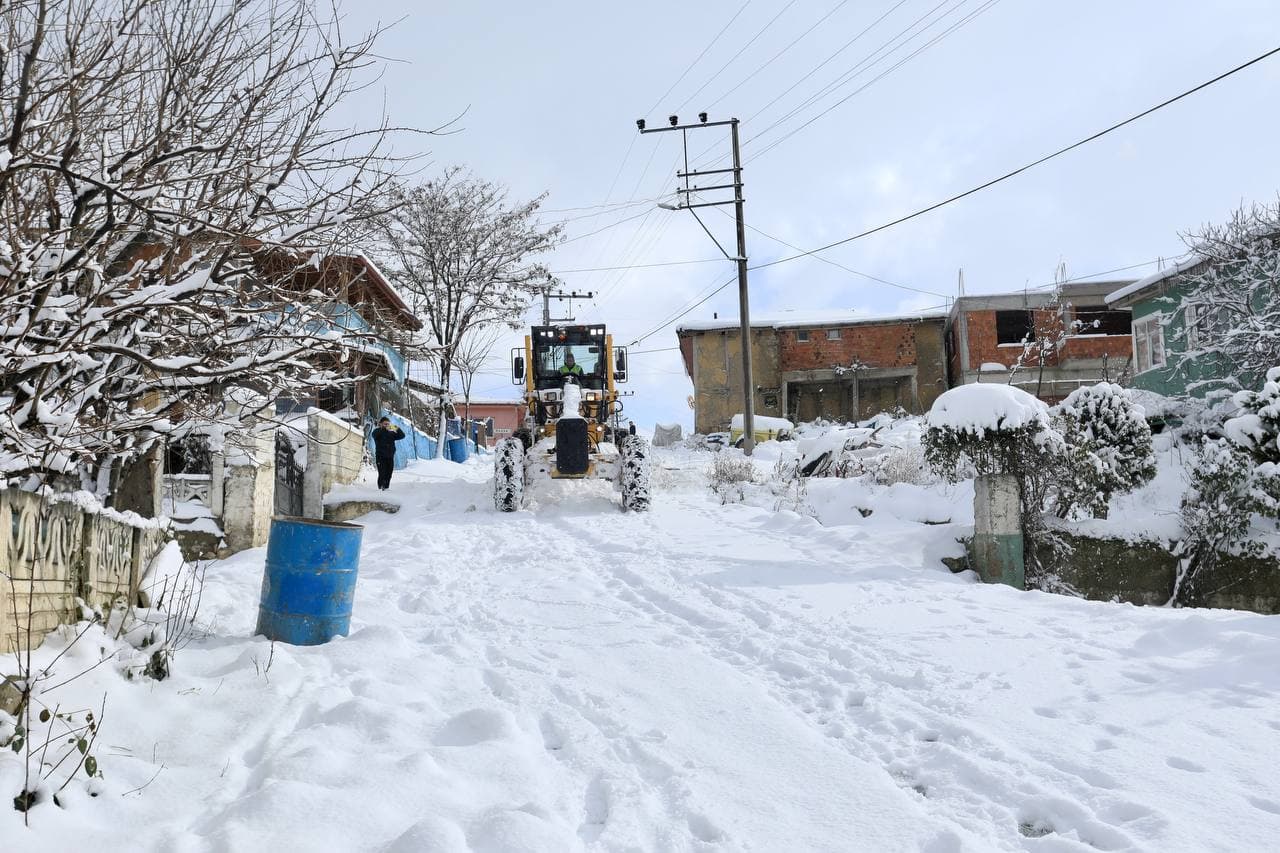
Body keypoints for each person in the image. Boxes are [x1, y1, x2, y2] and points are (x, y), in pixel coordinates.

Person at [371, 416, 406, 490]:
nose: (387, 425)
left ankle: (386, 488)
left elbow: (402, 436)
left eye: (388, 424)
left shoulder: (391, 434)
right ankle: (380, 488)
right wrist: (383, 429)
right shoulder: (377, 432)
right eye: (385, 424)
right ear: (380, 424)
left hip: (390, 457)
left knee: (389, 474)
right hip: (380, 457)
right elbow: (374, 435)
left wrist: (395, 428)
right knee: (382, 474)